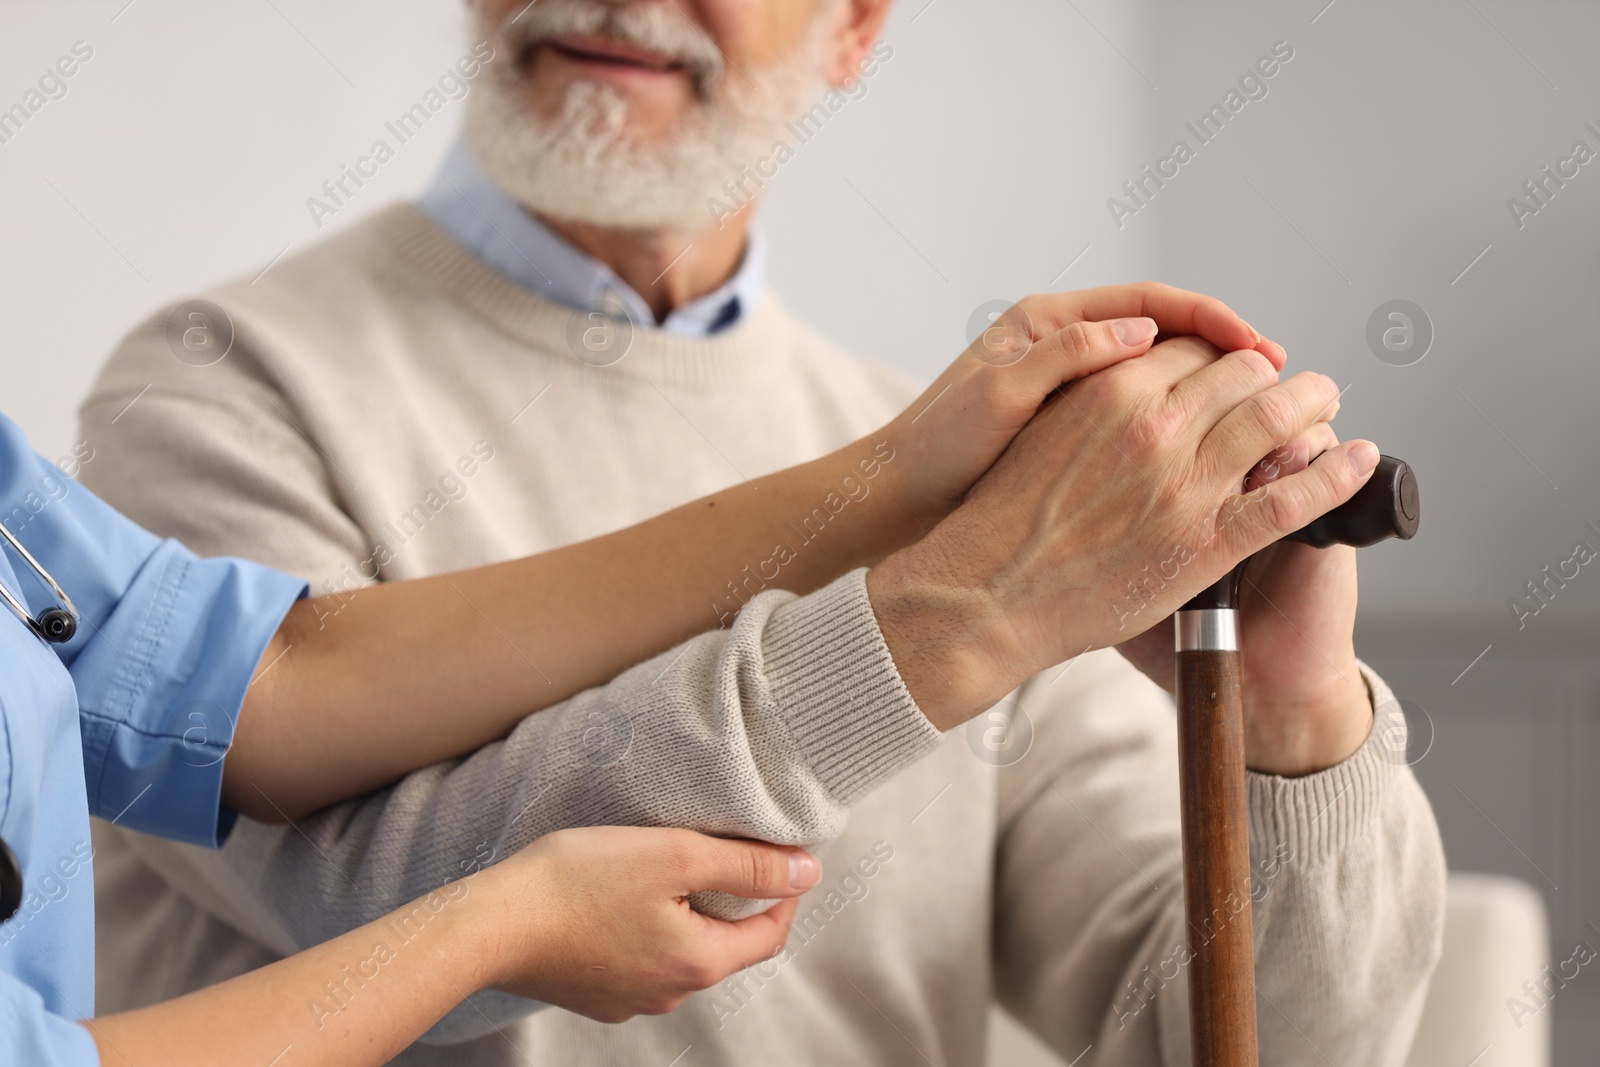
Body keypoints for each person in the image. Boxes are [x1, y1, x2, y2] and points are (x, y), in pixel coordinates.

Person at [79, 0, 1448, 1064]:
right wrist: (951, 624)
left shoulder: (955, 462)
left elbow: (1228, 1042)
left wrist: (1288, 731)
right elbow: (368, 920)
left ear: (855, 25)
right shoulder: (220, 380)